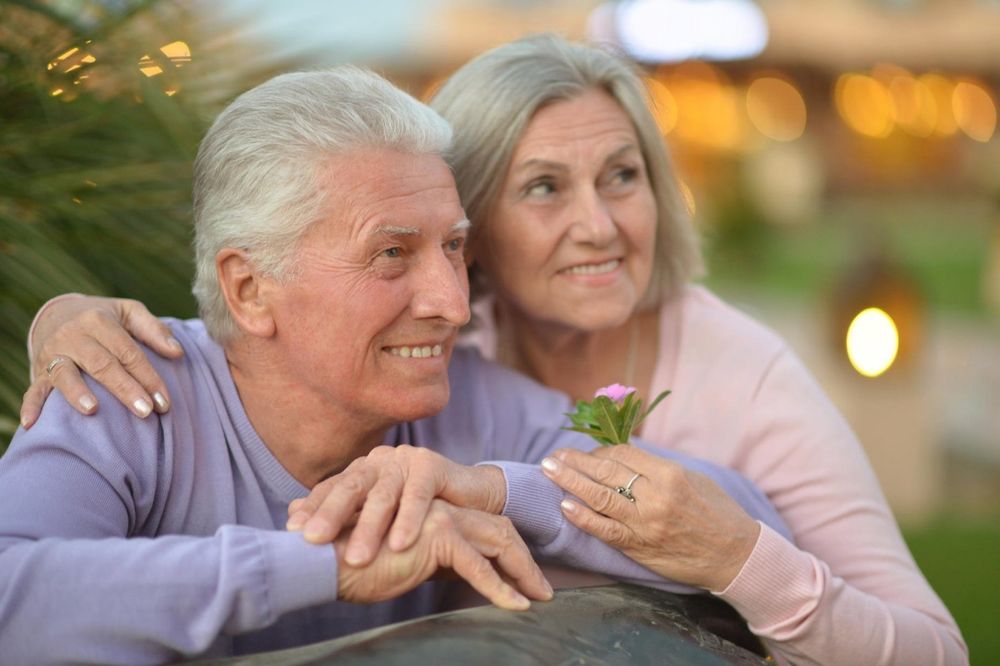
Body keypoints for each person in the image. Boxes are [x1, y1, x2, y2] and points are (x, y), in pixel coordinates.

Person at [17, 35, 966, 665]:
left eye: (454, 248)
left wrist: (508, 490)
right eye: (392, 254)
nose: (444, 299)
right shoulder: (125, 390)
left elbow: (741, 517)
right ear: (248, 287)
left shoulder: (469, 404)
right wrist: (327, 564)